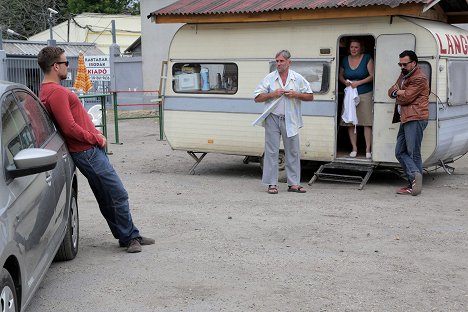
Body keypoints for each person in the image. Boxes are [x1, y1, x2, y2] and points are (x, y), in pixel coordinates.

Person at [37, 47, 154, 253]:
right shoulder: (56, 92)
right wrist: (96, 137)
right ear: (55, 66)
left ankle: (128, 235)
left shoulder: (49, 91)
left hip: (86, 151)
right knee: (117, 193)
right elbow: (69, 127)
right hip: (86, 151)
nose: (67, 67)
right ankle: (129, 237)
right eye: (65, 63)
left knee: (106, 194)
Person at [253, 50, 314, 194]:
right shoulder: (270, 78)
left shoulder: (297, 78)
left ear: (289, 62)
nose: (278, 63)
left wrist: (296, 94)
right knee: (271, 151)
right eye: (277, 61)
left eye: (281, 61)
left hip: (290, 118)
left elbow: (310, 96)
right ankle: (271, 184)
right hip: (273, 117)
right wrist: (272, 94)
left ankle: (293, 184)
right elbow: (257, 98)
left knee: (292, 151)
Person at [388, 50, 429, 196]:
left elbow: (407, 97)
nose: (402, 66)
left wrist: (399, 92)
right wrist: (398, 92)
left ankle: (414, 183)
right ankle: (414, 177)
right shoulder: (404, 74)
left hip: (415, 118)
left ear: (414, 63)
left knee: (414, 153)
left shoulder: (420, 78)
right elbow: (391, 91)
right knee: (399, 152)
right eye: (400, 63)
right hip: (405, 118)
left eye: (405, 64)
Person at [338, 38, 374, 159]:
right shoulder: (344, 59)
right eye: (352, 47)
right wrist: (345, 82)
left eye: (356, 47)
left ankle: (368, 150)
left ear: (361, 48)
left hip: (365, 93)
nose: (354, 49)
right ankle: (354, 148)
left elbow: (372, 76)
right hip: (349, 93)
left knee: (366, 122)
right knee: (350, 122)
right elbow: (340, 75)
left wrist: (358, 83)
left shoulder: (367, 58)